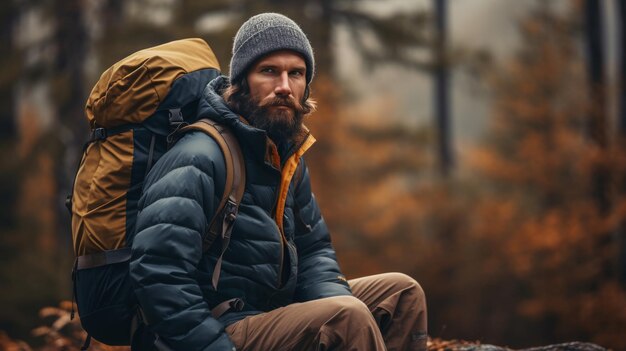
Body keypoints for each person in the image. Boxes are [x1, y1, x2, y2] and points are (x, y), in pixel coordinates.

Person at [130, 12, 427, 351]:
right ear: (240, 82)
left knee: (401, 294)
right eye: (269, 71)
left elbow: (314, 252)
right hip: (217, 328)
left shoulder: (284, 157)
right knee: (345, 317)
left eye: (296, 73)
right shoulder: (201, 155)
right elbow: (158, 274)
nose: (285, 86)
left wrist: (340, 307)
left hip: (268, 310)